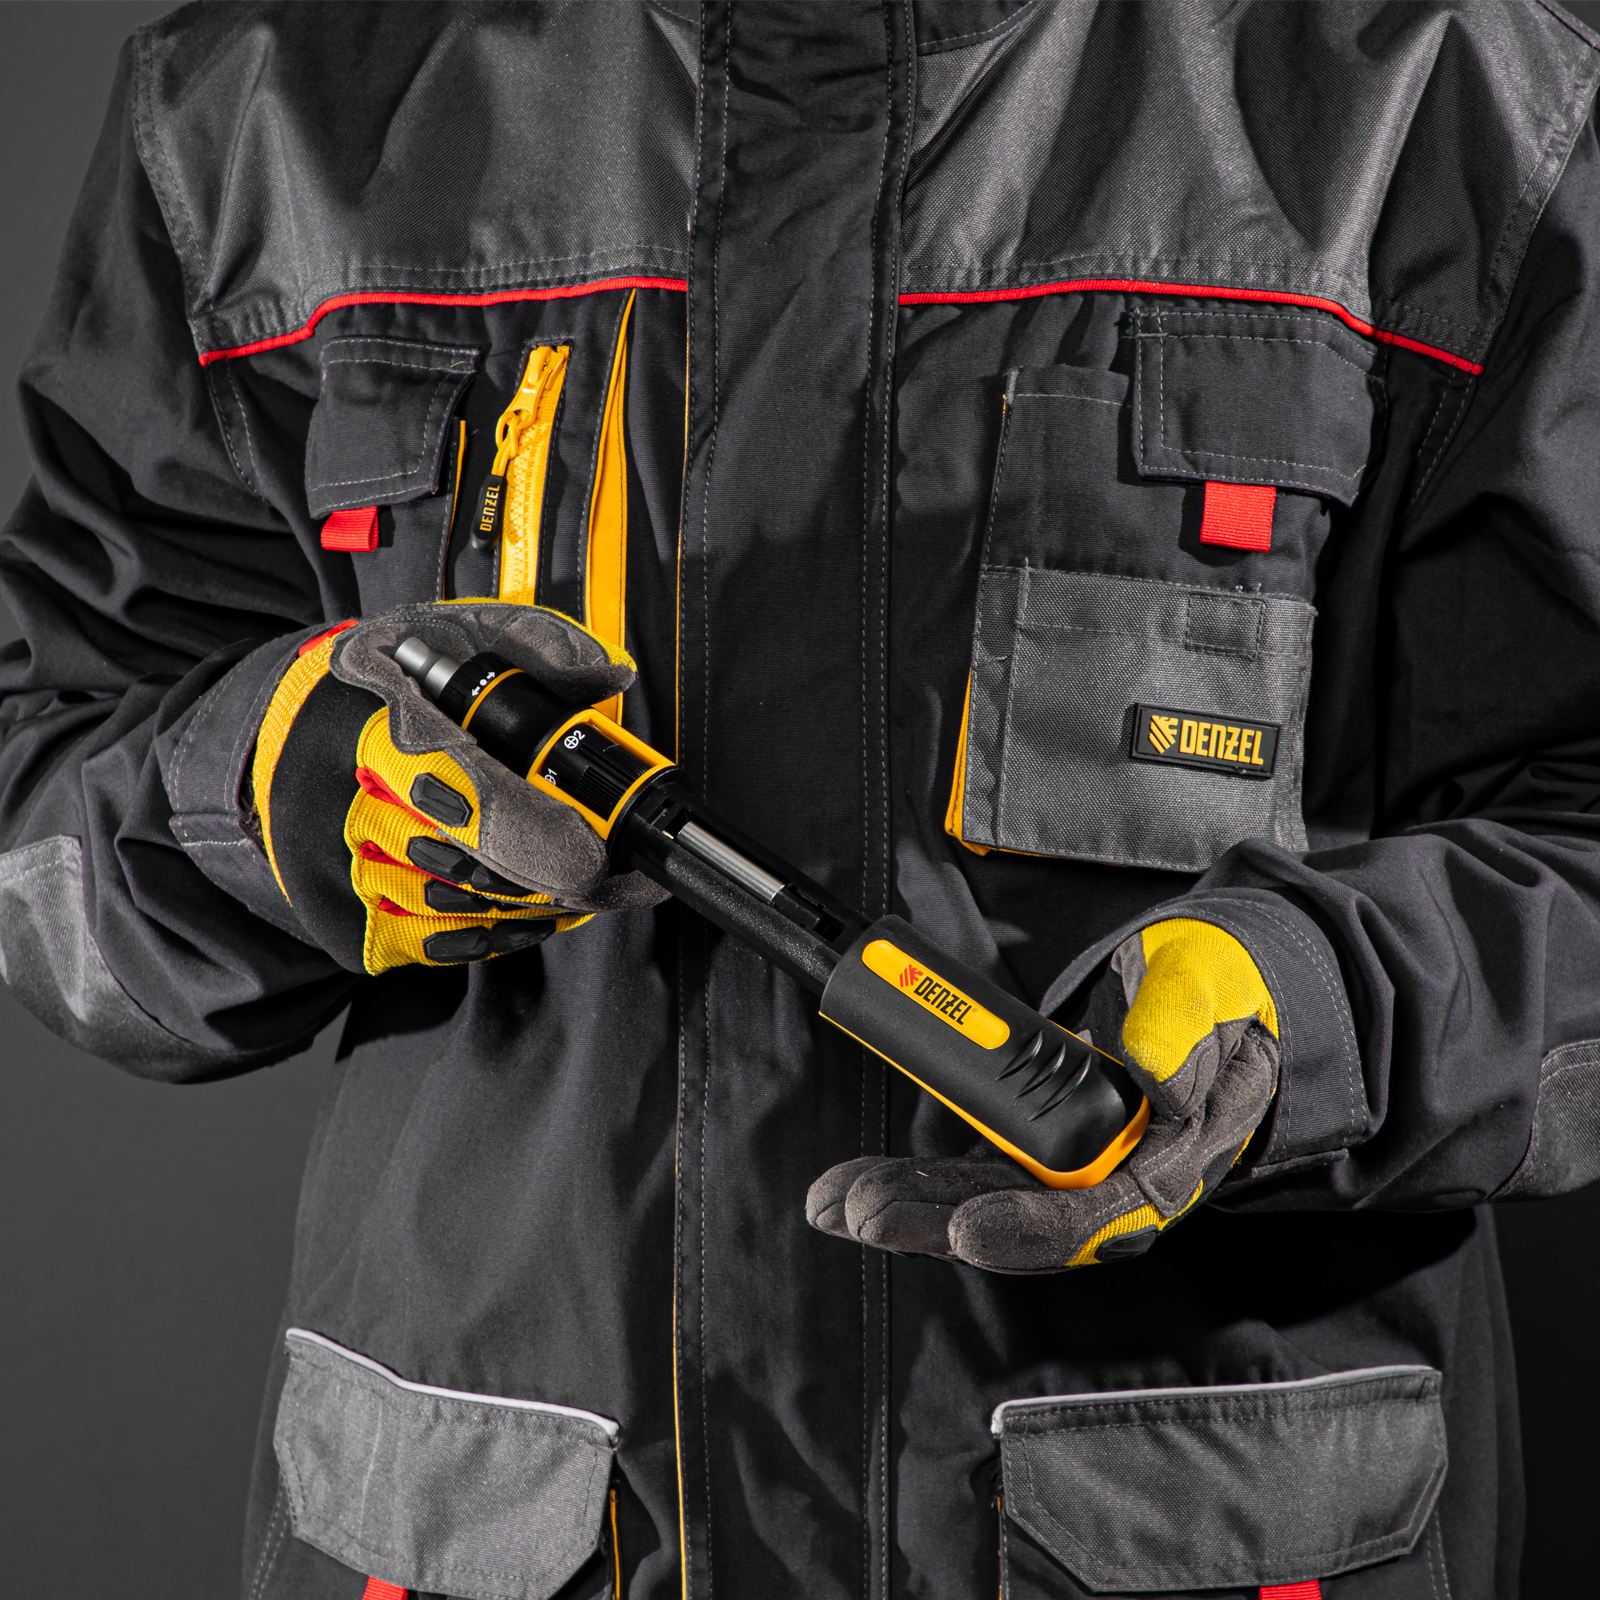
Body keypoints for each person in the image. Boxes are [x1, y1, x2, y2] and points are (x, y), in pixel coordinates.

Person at [3, 3, 1598, 1595]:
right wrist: (289, 790)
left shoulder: (1447, 92)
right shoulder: (268, 106)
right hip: (493, 1531)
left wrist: (1315, 1007)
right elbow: (44, 788)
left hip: (1196, 1530)